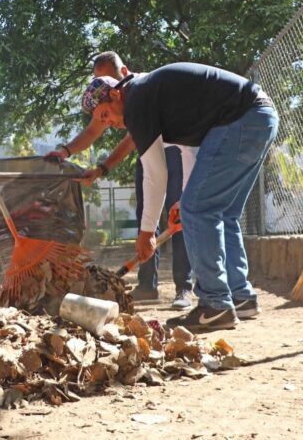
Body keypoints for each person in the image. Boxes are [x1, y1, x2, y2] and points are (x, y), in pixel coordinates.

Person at [81, 62, 278, 331]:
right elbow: (191, 150)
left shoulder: (137, 101)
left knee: (200, 210)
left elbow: (155, 174)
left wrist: (146, 232)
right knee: (222, 211)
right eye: (103, 121)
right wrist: (185, 197)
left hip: (241, 120)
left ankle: (216, 304)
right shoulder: (151, 95)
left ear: (115, 96)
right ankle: (240, 296)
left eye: (106, 115)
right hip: (261, 117)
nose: (110, 124)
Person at [46, 51, 194, 309]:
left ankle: (184, 287)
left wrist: (104, 167)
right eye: (98, 81)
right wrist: (66, 151)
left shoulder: (140, 91)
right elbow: (94, 130)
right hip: (148, 154)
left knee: (178, 214)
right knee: (145, 218)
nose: (104, 87)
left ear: (123, 74)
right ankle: (147, 284)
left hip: (176, 151)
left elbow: (133, 137)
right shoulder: (107, 97)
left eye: (108, 80)